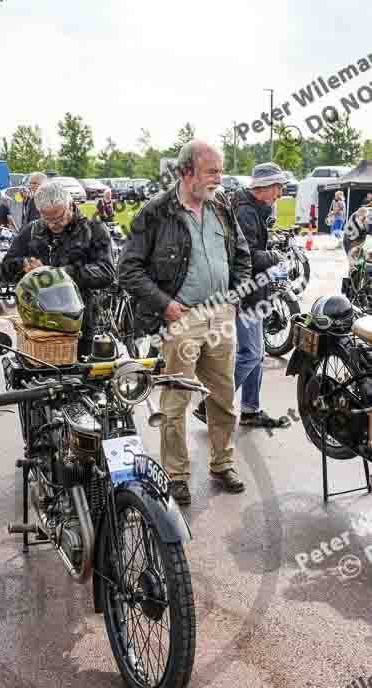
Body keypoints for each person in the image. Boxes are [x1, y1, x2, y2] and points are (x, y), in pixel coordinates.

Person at [119, 139, 252, 503]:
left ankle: (222, 463)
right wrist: (165, 305)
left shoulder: (221, 206)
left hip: (220, 316)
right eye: (212, 172)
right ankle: (176, 474)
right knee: (176, 400)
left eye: (220, 171)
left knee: (223, 396)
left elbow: (241, 255)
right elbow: (127, 268)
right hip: (181, 318)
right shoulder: (156, 213)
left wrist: (235, 296)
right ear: (186, 172)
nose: (218, 179)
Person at [194, 163, 291, 430]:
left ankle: (250, 410)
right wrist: (276, 258)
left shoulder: (251, 207)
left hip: (248, 291)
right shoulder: (246, 212)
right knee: (249, 354)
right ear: (263, 188)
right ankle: (209, 405)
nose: (280, 194)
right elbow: (245, 256)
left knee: (255, 354)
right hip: (245, 294)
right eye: (277, 187)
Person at [2, 180, 115, 359]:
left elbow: (107, 272)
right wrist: (23, 264)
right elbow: (5, 269)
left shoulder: (94, 229)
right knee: (38, 375)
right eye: (47, 218)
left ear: (70, 205)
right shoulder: (31, 230)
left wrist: (60, 274)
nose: (54, 224)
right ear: (39, 211)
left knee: (79, 379)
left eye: (59, 217)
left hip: (80, 321)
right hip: (37, 324)